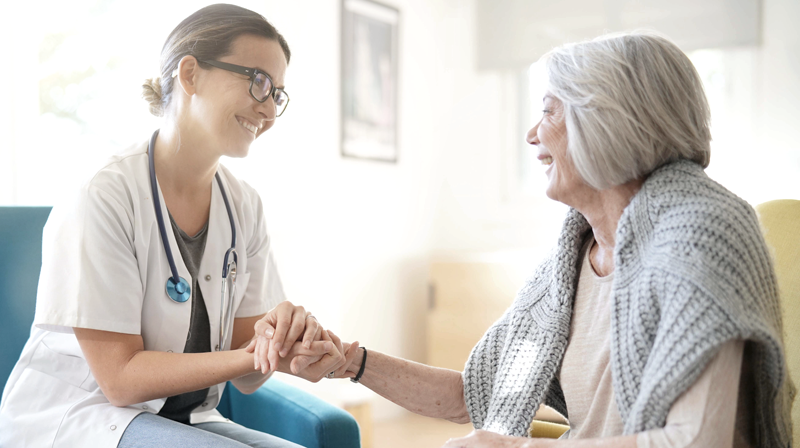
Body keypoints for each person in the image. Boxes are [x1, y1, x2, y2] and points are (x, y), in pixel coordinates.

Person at [257, 32, 796, 447]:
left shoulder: (700, 237)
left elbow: (695, 440)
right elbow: (478, 393)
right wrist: (349, 361)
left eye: (548, 110)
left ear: (607, 120)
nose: (532, 135)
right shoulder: (569, 266)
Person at [0, 4, 349, 447]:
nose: (269, 112)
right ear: (190, 75)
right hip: (88, 418)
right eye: (258, 82)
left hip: (186, 419)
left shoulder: (243, 205)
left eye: (277, 93)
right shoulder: (103, 196)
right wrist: (251, 353)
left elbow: (248, 372)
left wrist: (288, 343)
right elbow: (121, 380)